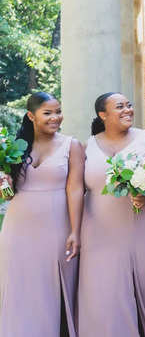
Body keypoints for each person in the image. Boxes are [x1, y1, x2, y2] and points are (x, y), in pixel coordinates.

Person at [79, 92, 145, 337]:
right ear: (103, 115)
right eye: (119, 107)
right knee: (105, 292)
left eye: (129, 105)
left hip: (141, 227)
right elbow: (75, 188)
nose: (128, 110)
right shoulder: (87, 146)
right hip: (98, 231)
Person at [0, 92, 83, 336]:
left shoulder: (72, 145)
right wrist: (3, 183)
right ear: (31, 116)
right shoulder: (15, 147)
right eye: (48, 113)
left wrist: (75, 231)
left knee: (50, 286)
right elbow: (8, 195)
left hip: (56, 226)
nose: (55, 117)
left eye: (58, 111)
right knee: (17, 285)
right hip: (17, 228)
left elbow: (75, 189)